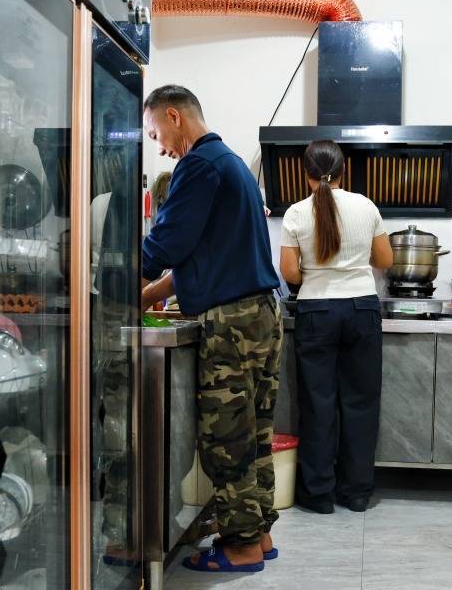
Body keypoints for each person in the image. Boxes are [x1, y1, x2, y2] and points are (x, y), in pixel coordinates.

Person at [140, 85, 282, 573]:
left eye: (155, 133)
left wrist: (120, 275)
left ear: (174, 116)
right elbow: (199, 256)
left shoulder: (198, 165)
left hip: (231, 322)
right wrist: (148, 295)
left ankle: (241, 546)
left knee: (227, 439)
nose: (159, 146)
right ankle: (258, 532)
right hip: (260, 315)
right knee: (254, 432)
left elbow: (166, 245)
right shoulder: (232, 165)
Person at [279, 139, 393, 514]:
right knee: (360, 402)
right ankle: (356, 492)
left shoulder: (296, 213)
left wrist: (316, 274)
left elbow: (290, 272)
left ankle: (318, 494)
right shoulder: (366, 206)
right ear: (345, 170)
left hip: (316, 311)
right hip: (361, 309)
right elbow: (385, 260)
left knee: (318, 403)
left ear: (306, 174)